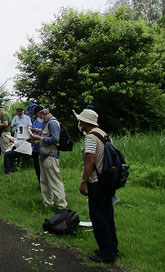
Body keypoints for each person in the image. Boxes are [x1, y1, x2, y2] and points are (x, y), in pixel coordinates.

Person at [74, 108, 118, 263]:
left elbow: (90, 161)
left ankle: (105, 252)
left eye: (80, 120)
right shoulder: (104, 134)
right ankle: (113, 247)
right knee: (108, 214)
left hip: (96, 181)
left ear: (85, 122)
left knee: (98, 216)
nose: (79, 123)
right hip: (107, 180)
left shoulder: (91, 137)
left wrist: (84, 181)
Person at [30, 108, 67, 209]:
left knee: (55, 181)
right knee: (44, 181)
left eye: (40, 116)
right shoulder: (46, 123)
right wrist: (35, 138)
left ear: (43, 113)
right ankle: (47, 203)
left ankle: (62, 205)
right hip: (43, 156)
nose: (40, 118)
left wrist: (40, 138)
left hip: (51, 156)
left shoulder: (53, 123)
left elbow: (55, 139)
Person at [3, 108, 33, 174]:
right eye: (18, 113)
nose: (19, 115)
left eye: (20, 113)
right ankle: (10, 169)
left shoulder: (27, 118)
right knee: (8, 151)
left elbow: (30, 127)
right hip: (17, 140)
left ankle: (8, 171)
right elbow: (12, 126)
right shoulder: (15, 118)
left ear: (23, 112)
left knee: (7, 154)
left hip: (24, 142)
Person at [28, 104, 44, 183]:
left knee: (44, 167)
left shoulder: (46, 121)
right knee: (37, 167)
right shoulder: (33, 120)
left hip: (43, 146)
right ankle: (40, 183)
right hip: (35, 147)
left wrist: (38, 132)